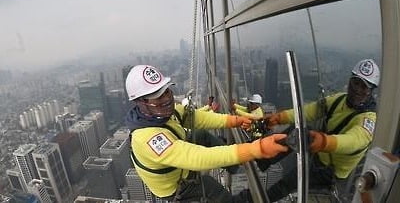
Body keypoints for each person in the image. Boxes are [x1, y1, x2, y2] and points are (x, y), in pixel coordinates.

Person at [125, 65, 288, 203]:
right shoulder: (147, 139)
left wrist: (234, 120)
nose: (166, 98)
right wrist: (252, 150)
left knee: (202, 135)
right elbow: (195, 157)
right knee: (211, 188)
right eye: (157, 96)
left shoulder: (162, 114)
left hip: (176, 164)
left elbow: (197, 117)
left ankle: (237, 166)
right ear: (140, 102)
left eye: (166, 91)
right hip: (175, 186)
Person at [262, 59, 380, 202]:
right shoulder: (340, 99)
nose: (357, 89)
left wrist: (325, 142)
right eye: (356, 82)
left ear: (371, 91)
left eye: (364, 86)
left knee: (287, 183)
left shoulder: (368, 120)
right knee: (299, 130)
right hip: (320, 158)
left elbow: (353, 141)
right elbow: (310, 110)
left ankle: (255, 200)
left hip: (331, 174)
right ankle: (263, 159)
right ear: (350, 81)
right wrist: (280, 117)